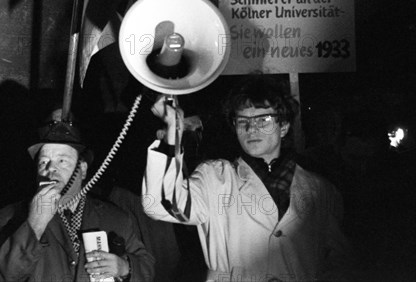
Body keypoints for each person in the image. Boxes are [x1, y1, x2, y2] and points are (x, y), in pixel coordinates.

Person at [142, 74, 355, 281]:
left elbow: (337, 260)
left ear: (284, 126)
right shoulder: (215, 179)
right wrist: (173, 131)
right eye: (242, 120)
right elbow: (160, 204)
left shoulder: (321, 190)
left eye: (264, 119)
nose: (251, 128)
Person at [0, 116, 155, 281]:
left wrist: (125, 268)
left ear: (82, 169)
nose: (51, 168)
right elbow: (0, 276)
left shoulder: (117, 219)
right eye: (43, 162)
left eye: (62, 161)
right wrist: (35, 224)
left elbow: (147, 269)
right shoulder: (9, 217)